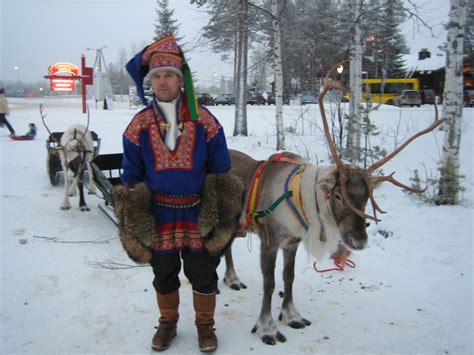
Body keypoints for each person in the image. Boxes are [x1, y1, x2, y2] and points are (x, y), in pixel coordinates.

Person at [121, 35, 231, 352]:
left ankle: (205, 326)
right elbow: (131, 174)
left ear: (181, 78)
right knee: (164, 274)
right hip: (158, 215)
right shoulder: (138, 126)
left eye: (169, 74)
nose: (162, 81)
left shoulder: (205, 121)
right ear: (150, 81)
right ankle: (168, 323)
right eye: (156, 76)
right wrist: (134, 215)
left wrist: (220, 214)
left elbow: (220, 170)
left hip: (199, 213)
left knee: (203, 274)